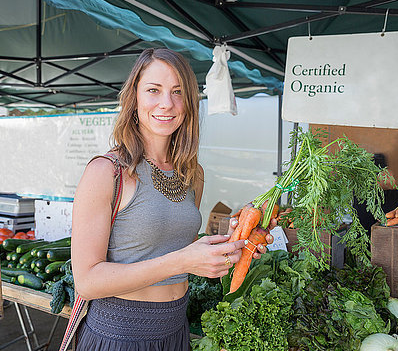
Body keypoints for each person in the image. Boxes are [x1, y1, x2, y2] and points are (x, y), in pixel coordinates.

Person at [71, 48, 275, 350]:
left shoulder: (193, 174)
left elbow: (184, 252)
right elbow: (87, 282)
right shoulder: (107, 171)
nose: (167, 104)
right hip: (120, 336)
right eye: (154, 90)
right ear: (134, 98)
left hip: (176, 333)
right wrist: (181, 260)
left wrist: (232, 245)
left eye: (177, 92)